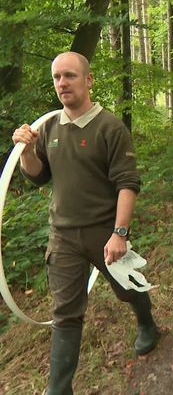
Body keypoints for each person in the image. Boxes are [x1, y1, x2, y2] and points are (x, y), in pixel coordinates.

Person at [12, 51, 160, 394]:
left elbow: (127, 183)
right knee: (65, 312)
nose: (62, 83)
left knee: (127, 290)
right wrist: (29, 151)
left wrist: (119, 233)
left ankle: (147, 324)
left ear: (88, 80)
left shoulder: (110, 127)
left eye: (70, 76)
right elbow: (38, 177)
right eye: (57, 78)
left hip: (105, 232)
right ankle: (59, 389)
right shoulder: (47, 128)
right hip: (63, 236)